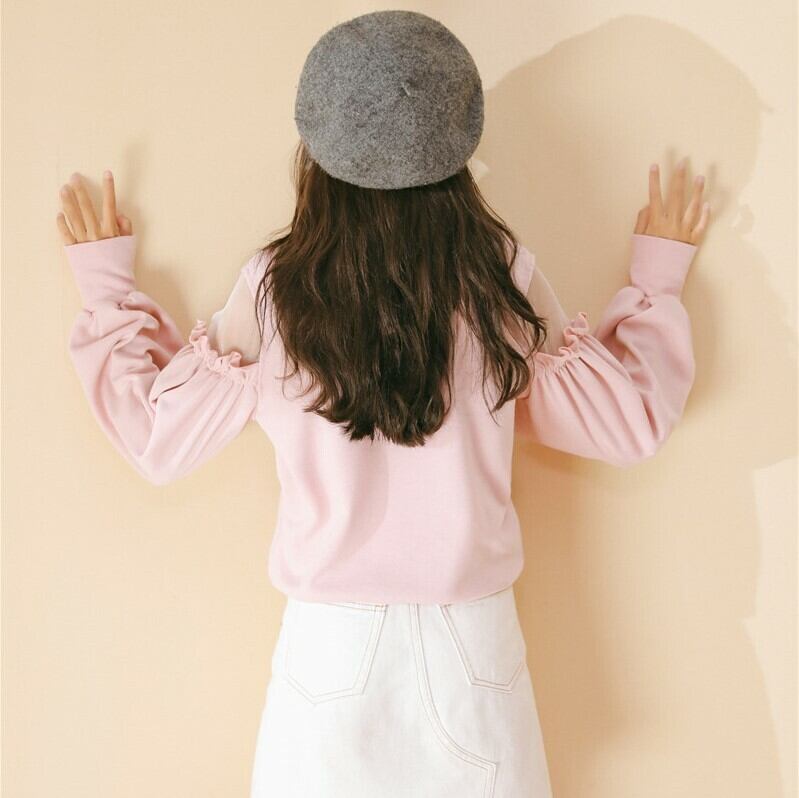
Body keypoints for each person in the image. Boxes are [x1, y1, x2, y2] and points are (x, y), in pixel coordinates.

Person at [56, 10, 710, 798]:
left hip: (329, 648)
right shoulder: (494, 277)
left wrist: (106, 287)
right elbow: (625, 426)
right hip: (473, 642)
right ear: (459, 147)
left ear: (314, 147)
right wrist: (657, 278)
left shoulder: (276, 291)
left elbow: (157, 439)